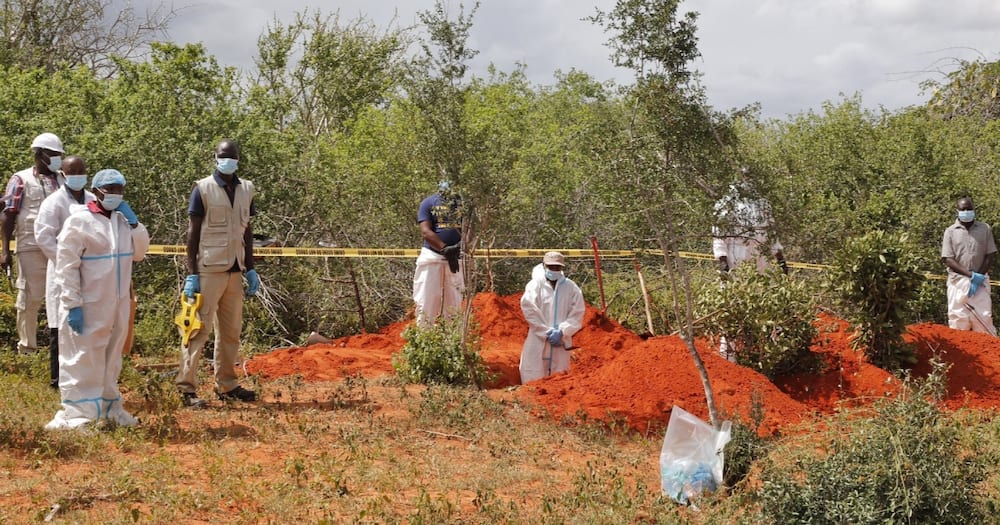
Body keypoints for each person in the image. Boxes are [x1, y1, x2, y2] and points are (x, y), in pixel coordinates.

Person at [45, 169, 149, 430]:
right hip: (87, 305)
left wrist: (135, 224)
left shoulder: (123, 222)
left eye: (119, 189)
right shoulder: (79, 221)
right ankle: (77, 415)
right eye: (110, 189)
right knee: (80, 360)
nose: (115, 194)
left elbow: (140, 253)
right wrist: (72, 305)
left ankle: (111, 408)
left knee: (112, 359)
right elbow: (66, 267)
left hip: (116, 306)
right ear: (98, 190)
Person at [176, 139, 260, 408]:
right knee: (197, 329)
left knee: (231, 332)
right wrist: (192, 273)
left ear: (238, 159)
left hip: (236, 270)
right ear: (216, 157)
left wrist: (251, 267)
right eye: (224, 156)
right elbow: (193, 232)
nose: (229, 160)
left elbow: (246, 230)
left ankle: (227, 384)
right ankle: (186, 388)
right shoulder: (203, 188)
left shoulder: (246, 189)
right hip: (209, 269)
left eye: (233, 156)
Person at [711, 168, 787, 361]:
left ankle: (769, 353)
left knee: (767, 302)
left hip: (762, 259)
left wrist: (780, 259)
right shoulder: (726, 203)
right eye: (744, 176)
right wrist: (722, 261)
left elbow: (772, 233)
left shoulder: (763, 203)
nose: (747, 180)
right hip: (736, 257)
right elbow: (718, 235)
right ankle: (728, 354)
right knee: (732, 303)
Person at [1, 132, 65, 354]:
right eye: (53, 154)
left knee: (62, 296)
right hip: (30, 246)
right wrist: (5, 250)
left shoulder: (63, 179)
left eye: (59, 155)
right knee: (30, 297)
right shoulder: (20, 179)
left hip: (59, 248)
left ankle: (61, 348)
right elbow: (8, 215)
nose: (57, 158)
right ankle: (27, 349)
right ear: (39, 154)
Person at [34, 155, 96, 388]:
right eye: (73, 172)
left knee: (86, 326)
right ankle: (57, 379)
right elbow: (43, 236)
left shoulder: (92, 200)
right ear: (63, 175)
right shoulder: (53, 202)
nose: (78, 176)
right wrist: (66, 260)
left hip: (89, 269)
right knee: (59, 325)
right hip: (61, 269)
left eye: (82, 171)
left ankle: (82, 375)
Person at [518, 251, 585, 383]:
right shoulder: (535, 285)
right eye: (551, 267)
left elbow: (577, 312)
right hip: (537, 339)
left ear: (562, 268)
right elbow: (529, 309)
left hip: (560, 341)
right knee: (533, 374)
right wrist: (546, 332)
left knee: (559, 377)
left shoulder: (571, 288)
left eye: (557, 267)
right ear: (544, 266)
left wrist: (562, 331)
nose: (554, 270)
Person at [942, 196, 998, 334]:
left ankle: (988, 353)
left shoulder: (984, 229)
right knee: (958, 319)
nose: (966, 211)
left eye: (969, 209)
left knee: (983, 318)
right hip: (957, 282)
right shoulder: (950, 232)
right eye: (963, 209)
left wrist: (979, 276)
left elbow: (990, 254)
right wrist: (970, 275)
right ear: (958, 211)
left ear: (973, 210)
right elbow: (948, 259)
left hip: (980, 282)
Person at [413, 180, 464, 327]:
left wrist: (458, 248)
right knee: (426, 299)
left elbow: (470, 229)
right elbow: (426, 231)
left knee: (454, 301)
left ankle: (451, 338)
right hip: (432, 257)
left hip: (457, 258)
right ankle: (423, 337)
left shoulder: (462, 204)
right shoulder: (428, 203)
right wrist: (445, 249)